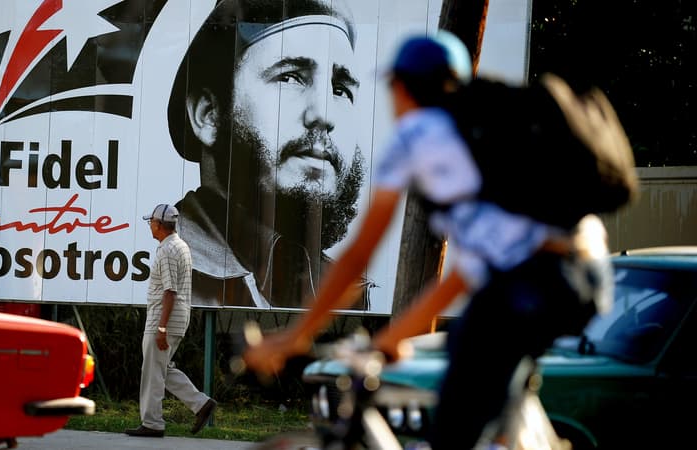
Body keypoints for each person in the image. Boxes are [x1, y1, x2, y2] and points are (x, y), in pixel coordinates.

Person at [244, 34, 613, 450]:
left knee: (452, 431)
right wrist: (394, 338)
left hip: (528, 289)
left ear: (401, 87)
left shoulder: (418, 135)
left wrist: (296, 335)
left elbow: (358, 255)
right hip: (587, 276)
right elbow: (466, 275)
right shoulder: (486, 132)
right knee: (483, 382)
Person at [167, 0, 372, 309]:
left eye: (340, 89)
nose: (324, 115)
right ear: (209, 116)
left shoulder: (346, 288)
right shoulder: (165, 262)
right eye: (290, 77)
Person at [124, 203, 217, 438]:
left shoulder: (166, 250)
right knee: (162, 369)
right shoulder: (181, 246)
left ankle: (152, 423)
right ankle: (201, 404)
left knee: (153, 372)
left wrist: (161, 327)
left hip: (163, 318)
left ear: (159, 224)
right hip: (178, 317)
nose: (150, 227)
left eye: (151, 222)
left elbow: (169, 292)